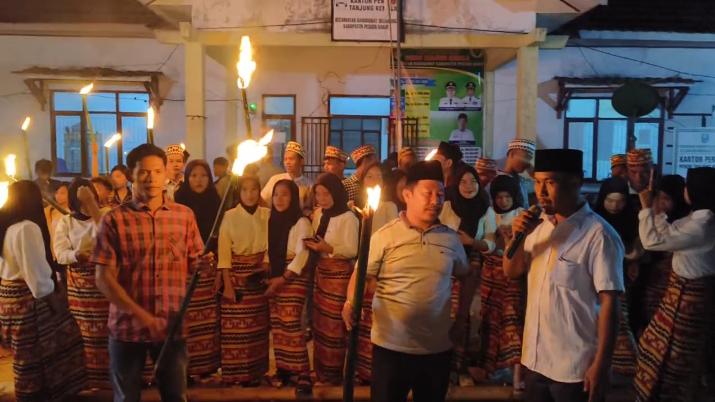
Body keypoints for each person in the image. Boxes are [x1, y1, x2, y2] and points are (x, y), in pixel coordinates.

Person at [342, 160, 469, 402]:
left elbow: (466, 275)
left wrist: (461, 317)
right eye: (428, 193)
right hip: (391, 348)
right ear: (407, 194)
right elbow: (361, 274)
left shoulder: (451, 240)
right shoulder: (384, 236)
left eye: (440, 194)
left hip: (436, 348)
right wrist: (350, 303)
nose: (435, 200)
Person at [504, 149, 624, 402]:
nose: (541, 192)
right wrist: (517, 236)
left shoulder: (599, 235)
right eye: (537, 182)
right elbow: (511, 271)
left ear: (576, 182)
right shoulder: (537, 228)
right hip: (535, 360)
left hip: (575, 368)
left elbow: (610, 304)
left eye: (550, 182)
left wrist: (601, 365)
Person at [93, 143, 209, 402]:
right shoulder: (114, 220)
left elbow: (194, 261)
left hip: (171, 325)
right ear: (131, 175)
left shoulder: (184, 216)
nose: (151, 178)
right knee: (126, 398)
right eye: (144, 172)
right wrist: (144, 317)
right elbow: (103, 278)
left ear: (166, 173)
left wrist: (202, 265)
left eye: (157, 171)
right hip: (127, 329)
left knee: (175, 396)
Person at [634, 167, 715, 402]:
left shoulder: (701, 226)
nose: (684, 191)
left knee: (675, 361)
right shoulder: (697, 219)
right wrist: (656, 212)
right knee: (659, 350)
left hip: (688, 300)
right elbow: (668, 235)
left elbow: (652, 241)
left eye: (687, 187)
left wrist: (647, 207)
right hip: (680, 297)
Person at [0, 180, 87, 401]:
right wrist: (54, 300)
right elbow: (36, 273)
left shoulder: (7, 227)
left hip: (8, 300)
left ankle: (29, 393)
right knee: (43, 352)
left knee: (23, 356)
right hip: (28, 301)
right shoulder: (27, 228)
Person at [53, 178, 110, 389]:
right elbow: (60, 254)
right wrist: (77, 255)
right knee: (85, 332)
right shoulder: (66, 222)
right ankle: (89, 378)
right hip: (80, 287)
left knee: (107, 329)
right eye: (82, 201)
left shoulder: (104, 215)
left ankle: (110, 375)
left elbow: (109, 236)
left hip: (104, 285)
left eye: (89, 199)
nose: (86, 205)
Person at [304, 173, 359, 385]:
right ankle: (321, 371)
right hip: (321, 274)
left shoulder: (348, 218)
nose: (321, 198)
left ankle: (335, 373)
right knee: (321, 325)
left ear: (336, 192)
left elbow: (352, 249)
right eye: (318, 194)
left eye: (326, 193)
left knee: (335, 326)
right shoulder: (319, 214)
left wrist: (328, 248)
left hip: (339, 279)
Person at [438, 164, 490, 383]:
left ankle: (460, 366)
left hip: (473, 266)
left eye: (474, 181)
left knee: (466, 316)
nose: (469, 186)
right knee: (445, 314)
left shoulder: (485, 207)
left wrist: (471, 242)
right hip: (447, 267)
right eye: (463, 181)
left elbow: (490, 241)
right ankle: (442, 367)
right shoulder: (447, 206)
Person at [216, 175, 270, 385]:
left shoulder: (267, 214)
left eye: (254, 189)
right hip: (236, 278)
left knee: (257, 328)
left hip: (258, 278)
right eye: (245, 190)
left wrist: (265, 264)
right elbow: (224, 253)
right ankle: (234, 374)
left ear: (259, 191)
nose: (250, 194)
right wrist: (228, 285)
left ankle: (256, 373)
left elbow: (272, 244)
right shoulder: (229, 216)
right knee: (235, 331)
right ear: (239, 193)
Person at [474, 174, 526, 389]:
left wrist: (510, 241)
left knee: (512, 318)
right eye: (499, 197)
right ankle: (495, 370)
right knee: (490, 320)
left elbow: (526, 243)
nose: (503, 201)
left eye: (507, 197)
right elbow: (483, 242)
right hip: (491, 274)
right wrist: (493, 239)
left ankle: (515, 374)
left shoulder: (521, 215)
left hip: (512, 275)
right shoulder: (488, 215)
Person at [263, 179, 314, 394]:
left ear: (293, 197)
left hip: (293, 276)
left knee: (291, 322)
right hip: (276, 274)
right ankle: (284, 369)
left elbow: (302, 254)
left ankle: (303, 371)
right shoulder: (272, 220)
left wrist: (283, 278)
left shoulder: (301, 222)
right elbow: (268, 248)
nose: (279, 199)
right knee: (278, 323)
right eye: (276, 195)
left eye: (285, 195)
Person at [350, 161, 399, 384]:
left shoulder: (389, 207)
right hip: (359, 263)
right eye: (370, 176)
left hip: (380, 268)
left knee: (378, 320)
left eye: (379, 177)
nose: (375, 180)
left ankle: (376, 372)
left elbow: (390, 240)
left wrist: (376, 273)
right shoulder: (354, 206)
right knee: (358, 316)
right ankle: (359, 371)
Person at [173, 160, 222, 379]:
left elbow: (223, 234)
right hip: (183, 269)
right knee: (186, 319)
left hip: (209, 266)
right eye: (193, 175)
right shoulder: (178, 202)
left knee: (206, 320)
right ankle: (184, 368)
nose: (198, 180)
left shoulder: (216, 202)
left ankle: (205, 367)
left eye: (203, 175)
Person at [593, 177, 640, 376]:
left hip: (619, 277)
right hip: (595, 277)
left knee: (620, 319)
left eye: (620, 201)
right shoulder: (594, 219)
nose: (614, 206)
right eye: (610, 200)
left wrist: (633, 258)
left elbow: (637, 248)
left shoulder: (632, 218)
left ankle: (625, 366)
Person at [640, 175, 689, 324]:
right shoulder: (656, 217)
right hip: (653, 282)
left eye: (666, 198)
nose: (661, 203)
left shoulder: (686, 224)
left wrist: (652, 213)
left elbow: (654, 241)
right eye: (658, 197)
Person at [260, 141, 312, 210]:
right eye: (285, 159)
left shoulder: (309, 184)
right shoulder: (275, 179)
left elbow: (309, 208)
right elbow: (263, 199)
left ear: (301, 161)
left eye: (291, 159)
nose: (287, 162)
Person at [499, 138, 536, 209]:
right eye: (525, 158)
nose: (528, 163)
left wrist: (534, 174)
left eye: (529, 159)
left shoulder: (522, 181)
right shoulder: (499, 180)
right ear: (512, 155)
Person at [45, 182, 69, 247]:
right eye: (56, 193)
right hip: (54, 246)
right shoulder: (51, 211)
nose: (58, 195)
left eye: (62, 193)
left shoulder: (72, 212)